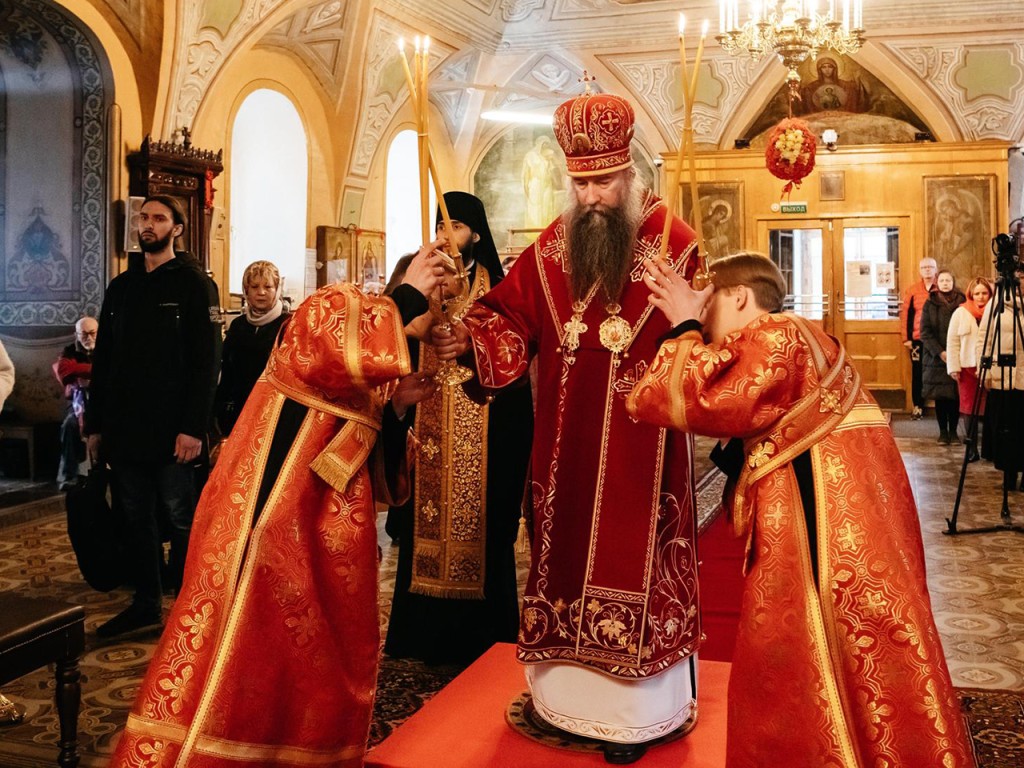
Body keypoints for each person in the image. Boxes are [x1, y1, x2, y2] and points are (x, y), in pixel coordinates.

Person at [433, 90, 700, 765]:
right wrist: (463, 336)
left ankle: (640, 717)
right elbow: (506, 316)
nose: (592, 199)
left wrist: (694, 321)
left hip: (645, 449)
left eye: (604, 181)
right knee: (564, 557)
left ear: (630, 173)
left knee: (633, 561)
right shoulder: (553, 245)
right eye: (580, 183)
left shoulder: (678, 246)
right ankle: (566, 706)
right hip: (564, 452)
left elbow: (701, 350)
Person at [627, 252, 972, 768]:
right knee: (865, 664)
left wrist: (682, 323)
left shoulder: (778, 334)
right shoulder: (808, 338)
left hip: (823, 540)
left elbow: (685, 400)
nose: (706, 321)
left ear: (739, 297)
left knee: (802, 656)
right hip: (851, 528)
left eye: (710, 301)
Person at [108, 245, 446, 768]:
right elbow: (329, 351)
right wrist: (406, 298)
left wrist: (397, 405)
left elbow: (376, 475)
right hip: (264, 516)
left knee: (310, 660)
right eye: (434, 307)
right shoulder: (334, 304)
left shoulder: (378, 369)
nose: (435, 328)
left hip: (322, 538)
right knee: (247, 644)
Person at [383, 192, 533, 666]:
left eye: (457, 227)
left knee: (484, 532)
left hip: (484, 431)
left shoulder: (498, 291)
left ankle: (484, 638)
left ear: (477, 234)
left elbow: (515, 361)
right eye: (440, 227)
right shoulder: (420, 282)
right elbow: (393, 338)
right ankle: (421, 637)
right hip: (426, 425)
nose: (446, 236)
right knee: (420, 532)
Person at [84, 195, 220, 637]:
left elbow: (206, 362)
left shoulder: (195, 284)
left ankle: (186, 605)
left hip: (172, 430)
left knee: (180, 516)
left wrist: (192, 427)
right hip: (124, 428)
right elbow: (103, 361)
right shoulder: (121, 287)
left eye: (158, 218)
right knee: (134, 516)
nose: (148, 224)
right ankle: (145, 603)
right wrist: (94, 425)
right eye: (144, 217)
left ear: (176, 229)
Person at [214, 260, 289, 435]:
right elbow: (227, 371)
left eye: (268, 287)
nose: (261, 293)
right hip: (238, 411)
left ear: (277, 290)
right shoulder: (239, 325)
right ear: (246, 291)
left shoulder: (288, 325)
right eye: (254, 287)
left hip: (273, 413)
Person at [976, 271, 1024, 491]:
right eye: (1018, 279)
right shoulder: (996, 304)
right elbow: (983, 337)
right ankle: (1008, 472)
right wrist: (982, 370)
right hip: (1002, 376)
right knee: (1006, 427)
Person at [946, 276, 993, 460]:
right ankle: (971, 448)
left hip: (991, 368)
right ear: (971, 294)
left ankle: (990, 448)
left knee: (990, 409)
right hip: (967, 367)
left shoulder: (996, 311)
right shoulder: (961, 313)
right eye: (977, 293)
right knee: (968, 409)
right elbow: (953, 341)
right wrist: (953, 366)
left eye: (984, 293)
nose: (981, 297)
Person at [920, 269, 965, 443]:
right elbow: (925, 332)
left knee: (954, 395)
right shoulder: (930, 303)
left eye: (948, 280)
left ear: (953, 282)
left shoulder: (962, 301)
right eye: (942, 280)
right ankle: (943, 432)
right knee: (940, 396)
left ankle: (953, 432)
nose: (945, 283)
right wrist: (940, 351)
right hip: (935, 356)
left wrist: (955, 351)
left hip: (957, 354)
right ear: (937, 283)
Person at [53, 316, 97, 489]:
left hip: (105, 405)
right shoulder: (70, 352)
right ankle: (68, 475)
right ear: (76, 335)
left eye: (92, 333)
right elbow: (64, 370)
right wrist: (96, 371)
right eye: (84, 334)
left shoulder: (109, 347)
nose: (88, 338)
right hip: (80, 407)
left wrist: (83, 374)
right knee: (69, 425)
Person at [899, 256, 938, 419]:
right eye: (924, 267)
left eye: (930, 267)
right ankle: (918, 406)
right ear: (920, 271)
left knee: (938, 372)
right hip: (917, 339)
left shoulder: (941, 287)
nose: (927, 270)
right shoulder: (913, 290)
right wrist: (906, 338)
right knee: (917, 373)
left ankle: (939, 408)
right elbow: (906, 314)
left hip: (937, 340)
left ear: (936, 269)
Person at [798, 56, 864, 113]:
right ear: (819, 70)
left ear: (834, 69)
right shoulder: (811, 87)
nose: (827, 70)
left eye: (830, 67)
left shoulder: (846, 86)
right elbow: (810, 107)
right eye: (823, 67)